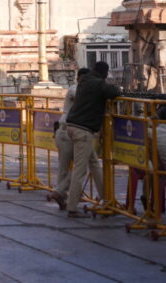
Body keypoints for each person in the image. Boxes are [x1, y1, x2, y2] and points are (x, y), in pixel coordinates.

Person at [49, 61, 120, 216]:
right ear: (105, 73)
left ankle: (106, 198)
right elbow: (114, 92)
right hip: (84, 131)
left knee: (94, 164)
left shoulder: (84, 82)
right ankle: (72, 207)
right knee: (79, 171)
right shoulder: (99, 84)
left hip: (72, 127)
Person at [52, 68, 103, 209]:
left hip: (71, 131)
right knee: (77, 167)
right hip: (70, 131)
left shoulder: (83, 90)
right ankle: (62, 194)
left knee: (85, 165)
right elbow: (77, 94)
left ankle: (63, 193)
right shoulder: (76, 89)